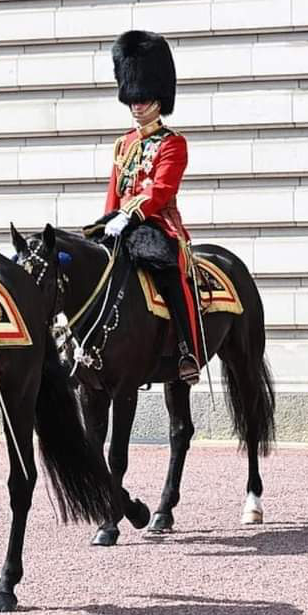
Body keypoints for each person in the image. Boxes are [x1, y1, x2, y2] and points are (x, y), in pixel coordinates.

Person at [100, 30, 201, 384]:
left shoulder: (173, 143)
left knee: (166, 269)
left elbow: (161, 190)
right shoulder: (123, 143)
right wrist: (106, 222)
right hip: (120, 223)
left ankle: (187, 348)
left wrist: (131, 213)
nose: (136, 104)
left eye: (142, 97)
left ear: (157, 97)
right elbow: (114, 190)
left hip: (156, 223)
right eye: (132, 97)